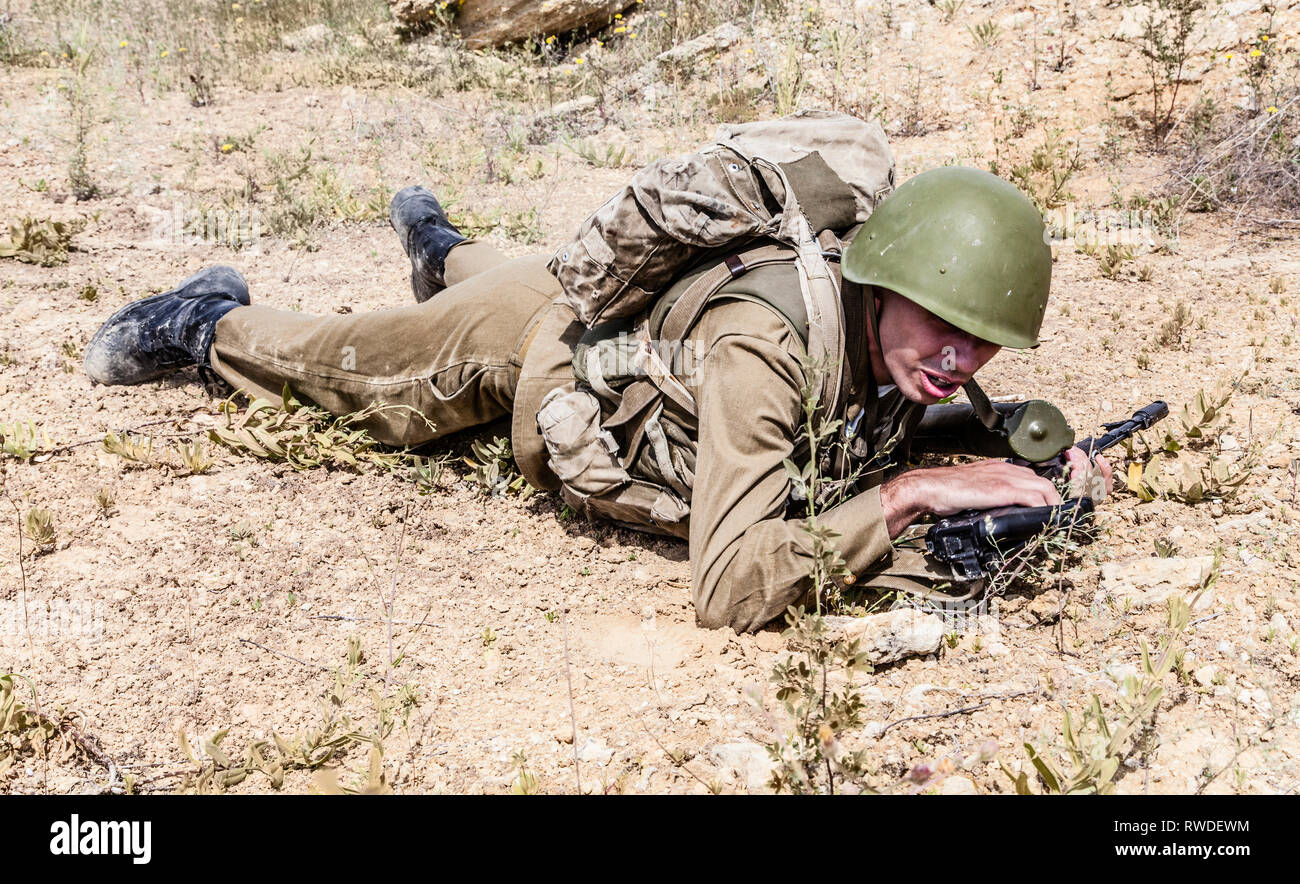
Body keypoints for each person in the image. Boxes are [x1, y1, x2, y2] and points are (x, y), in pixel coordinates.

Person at [84, 167, 1111, 632]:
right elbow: (728, 586)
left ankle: (440, 250)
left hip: (599, 309)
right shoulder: (766, 345)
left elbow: (906, 408)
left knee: (496, 271)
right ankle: (203, 317)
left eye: (981, 341)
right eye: (941, 325)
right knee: (348, 374)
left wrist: (1010, 454)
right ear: (883, 280)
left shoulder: (889, 326)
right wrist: (909, 498)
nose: (957, 358)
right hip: (532, 347)